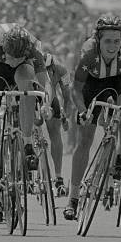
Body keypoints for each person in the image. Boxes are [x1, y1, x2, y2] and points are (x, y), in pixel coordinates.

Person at [63, 17, 121, 221]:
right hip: (91, 84)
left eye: (116, 41)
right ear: (98, 40)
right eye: (107, 41)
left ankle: (120, 153)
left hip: (119, 80)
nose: (112, 46)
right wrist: (83, 111)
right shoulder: (88, 54)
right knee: (85, 140)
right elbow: (76, 89)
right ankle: (73, 198)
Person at [0, 24, 53, 223]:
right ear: (5, 50)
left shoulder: (33, 48)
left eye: (16, 58)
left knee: (28, 83)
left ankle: (26, 142)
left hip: (23, 69)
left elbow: (46, 83)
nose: (12, 61)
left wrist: (46, 104)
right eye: (11, 57)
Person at [43, 52, 72, 196]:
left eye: (49, 69)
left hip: (51, 97)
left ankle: (58, 177)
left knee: (55, 132)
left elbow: (67, 96)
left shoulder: (61, 69)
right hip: (33, 93)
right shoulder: (29, 65)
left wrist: (65, 116)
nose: (47, 73)